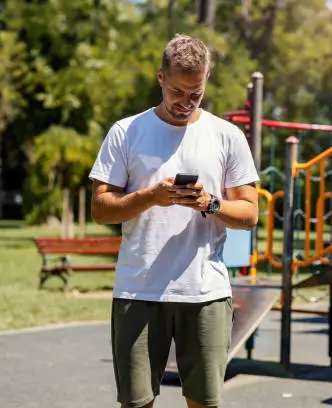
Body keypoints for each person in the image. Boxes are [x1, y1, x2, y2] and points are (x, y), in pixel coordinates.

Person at [89, 34, 260, 408]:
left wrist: (210, 203)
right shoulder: (126, 131)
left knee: (204, 403)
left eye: (195, 94)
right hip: (138, 290)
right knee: (136, 403)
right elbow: (100, 209)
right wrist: (150, 196)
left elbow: (250, 214)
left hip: (205, 293)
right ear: (160, 77)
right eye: (178, 92)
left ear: (206, 82)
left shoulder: (227, 136)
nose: (186, 103)